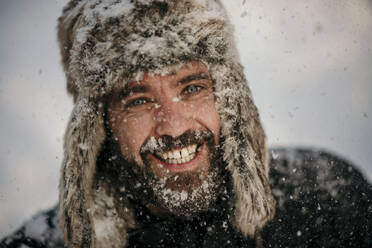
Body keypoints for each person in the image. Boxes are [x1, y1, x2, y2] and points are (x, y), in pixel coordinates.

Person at [1, 0, 372, 247]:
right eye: (139, 100)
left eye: (192, 87)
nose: (174, 127)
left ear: (228, 96)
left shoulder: (328, 197)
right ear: (99, 123)